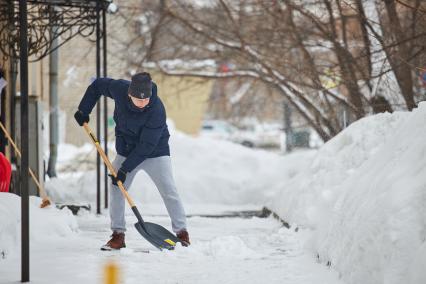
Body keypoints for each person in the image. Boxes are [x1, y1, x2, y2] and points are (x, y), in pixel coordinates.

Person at [74, 72, 190, 250]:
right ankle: (118, 235)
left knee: (168, 188)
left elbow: (147, 145)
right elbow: (97, 86)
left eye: (146, 99)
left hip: (155, 152)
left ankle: (182, 232)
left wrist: (125, 169)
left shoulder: (157, 109)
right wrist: (84, 110)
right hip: (126, 150)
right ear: (129, 94)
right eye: (139, 100)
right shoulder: (119, 88)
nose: (143, 103)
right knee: (116, 188)